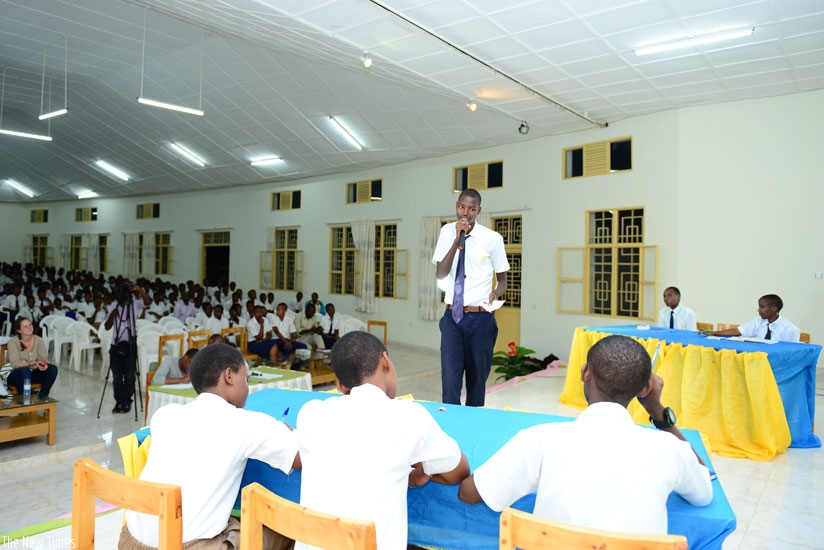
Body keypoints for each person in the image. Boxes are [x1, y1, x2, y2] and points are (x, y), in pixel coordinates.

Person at [458, 335, 712, 535]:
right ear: (647, 388)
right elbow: (704, 495)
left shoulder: (539, 439)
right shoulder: (670, 448)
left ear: (584, 373)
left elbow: (468, 494)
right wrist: (657, 410)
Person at [296, 331, 469, 550]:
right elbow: (459, 470)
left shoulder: (310, 414)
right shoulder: (408, 416)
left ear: (340, 385)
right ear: (385, 361)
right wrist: (417, 474)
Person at [122, 343, 300, 549]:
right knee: (285, 527)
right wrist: (286, 431)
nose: (247, 388)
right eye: (246, 379)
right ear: (229, 376)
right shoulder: (245, 423)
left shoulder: (165, 414)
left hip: (132, 541)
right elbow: (303, 457)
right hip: (188, 546)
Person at [432, 188, 509, 406]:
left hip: (480, 319)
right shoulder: (447, 232)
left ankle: (473, 428)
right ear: (456, 206)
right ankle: (451, 426)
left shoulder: (493, 239)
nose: (465, 213)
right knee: (450, 380)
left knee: (476, 384)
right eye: (462, 207)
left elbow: (503, 281)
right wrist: (457, 239)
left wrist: (495, 293)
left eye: (472, 209)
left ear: (479, 210)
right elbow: (441, 273)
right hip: (451, 319)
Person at [104, 282, 150, 414]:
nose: (121, 296)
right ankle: (119, 401)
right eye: (119, 294)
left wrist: (139, 289)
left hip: (130, 344)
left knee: (129, 375)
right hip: (116, 345)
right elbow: (107, 326)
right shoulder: (113, 307)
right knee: (117, 376)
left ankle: (127, 401)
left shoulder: (134, 304)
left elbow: (148, 302)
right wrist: (113, 314)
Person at [708, 294, 800, 342]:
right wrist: (714, 333)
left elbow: (791, 353)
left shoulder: (789, 329)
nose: (758, 310)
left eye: (762, 307)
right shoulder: (759, 321)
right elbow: (738, 331)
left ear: (774, 308)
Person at [6, 317, 59, 398]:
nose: (29, 328)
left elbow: (43, 358)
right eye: (25, 326)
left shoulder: (39, 340)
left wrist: (43, 365)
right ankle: (23, 399)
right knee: (24, 371)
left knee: (52, 369)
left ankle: (42, 396)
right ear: (19, 330)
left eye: (30, 325)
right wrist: (33, 363)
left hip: (32, 372)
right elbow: (15, 364)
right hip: (14, 374)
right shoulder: (13, 342)